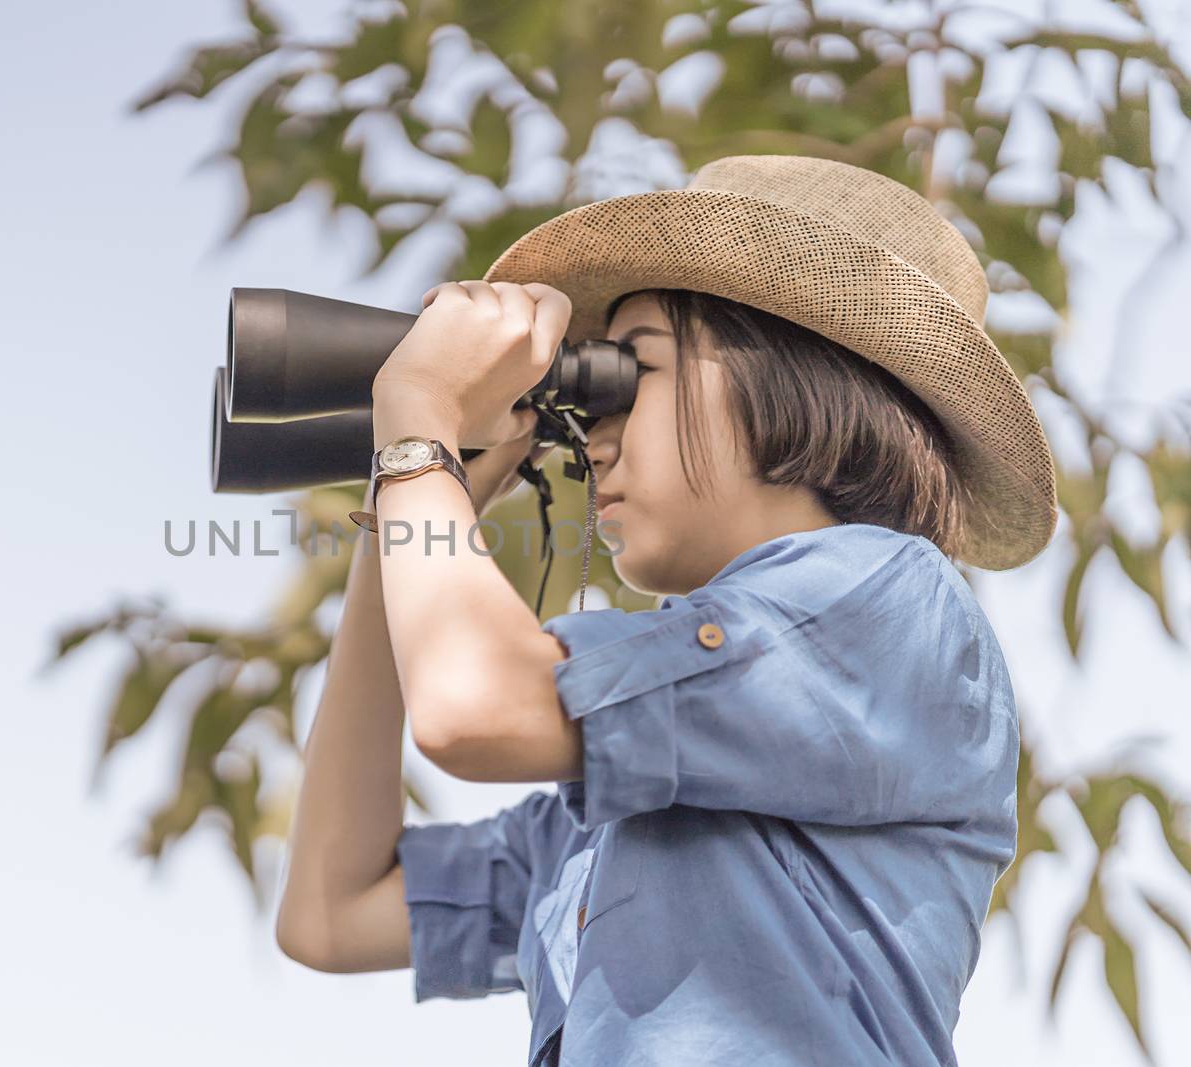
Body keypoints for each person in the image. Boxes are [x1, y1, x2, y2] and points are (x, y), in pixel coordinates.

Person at [272, 154, 1056, 1066]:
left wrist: (420, 429)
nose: (592, 433)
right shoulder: (619, 805)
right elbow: (330, 911)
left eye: (629, 372)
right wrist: (401, 507)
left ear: (785, 372)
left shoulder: (888, 600)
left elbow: (472, 711)